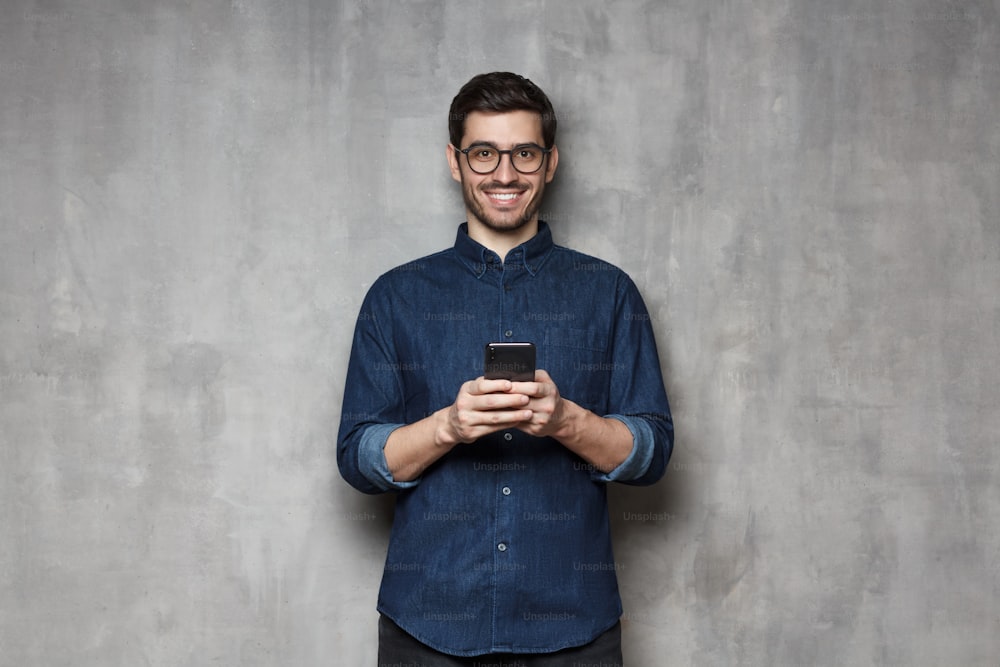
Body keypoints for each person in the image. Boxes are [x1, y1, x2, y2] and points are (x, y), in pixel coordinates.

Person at [337, 71, 674, 666]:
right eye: (483, 153)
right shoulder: (395, 297)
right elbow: (360, 459)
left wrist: (567, 421)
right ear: (455, 161)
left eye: (524, 152)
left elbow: (651, 454)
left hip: (575, 630)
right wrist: (448, 428)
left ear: (550, 163)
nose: (504, 173)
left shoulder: (610, 293)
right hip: (427, 627)